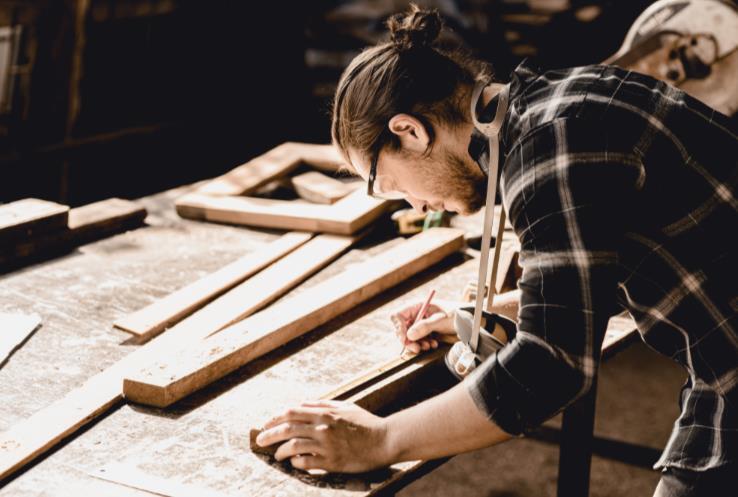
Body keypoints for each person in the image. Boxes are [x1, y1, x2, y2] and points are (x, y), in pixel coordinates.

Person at [255, 5, 738, 495]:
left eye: (385, 183)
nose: (413, 203)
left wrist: (380, 439)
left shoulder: (552, 148)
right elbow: (600, 267)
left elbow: (551, 366)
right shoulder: (551, 105)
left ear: (410, 131)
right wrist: (495, 309)